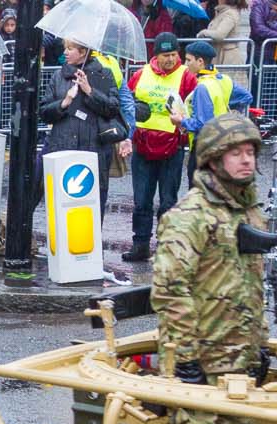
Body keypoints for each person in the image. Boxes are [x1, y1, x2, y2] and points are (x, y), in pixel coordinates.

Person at [147, 112, 267, 424]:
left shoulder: (249, 212)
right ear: (213, 160)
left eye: (250, 151)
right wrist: (187, 359)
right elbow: (169, 287)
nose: (245, 160)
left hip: (238, 359)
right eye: (235, 153)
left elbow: (254, 282)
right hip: (199, 359)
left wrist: (260, 343)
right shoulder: (190, 216)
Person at [122, 35, 196, 263]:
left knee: (167, 201)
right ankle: (140, 245)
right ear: (156, 55)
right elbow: (127, 102)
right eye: (166, 55)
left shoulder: (187, 77)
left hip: (172, 148)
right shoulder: (140, 74)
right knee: (142, 200)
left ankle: (166, 247)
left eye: (174, 54)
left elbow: (195, 106)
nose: (171, 59)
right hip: (143, 146)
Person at [35, 39, 119, 228]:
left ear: (83, 52)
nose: (65, 52)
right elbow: (44, 112)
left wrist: (89, 91)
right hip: (62, 146)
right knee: (60, 200)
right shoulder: (58, 76)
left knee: (93, 201)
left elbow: (113, 108)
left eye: (70, 48)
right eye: (66, 48)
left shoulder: (104, 74)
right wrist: (64, 103)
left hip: (94, 148)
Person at [179, 38, 233, 139]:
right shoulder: (224, 79)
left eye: (188, 60)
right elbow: (246, 97)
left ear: (200, 61)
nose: (186, 64)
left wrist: (181, 121)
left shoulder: (202, 87)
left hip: (204, 144)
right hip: (221, 138)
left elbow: (202, 124)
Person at [197, 0, 251, 67]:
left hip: (227, 58)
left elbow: (220, 34)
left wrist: (203, 32)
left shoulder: (230, 13)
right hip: (219, 54)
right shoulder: (221, 12)